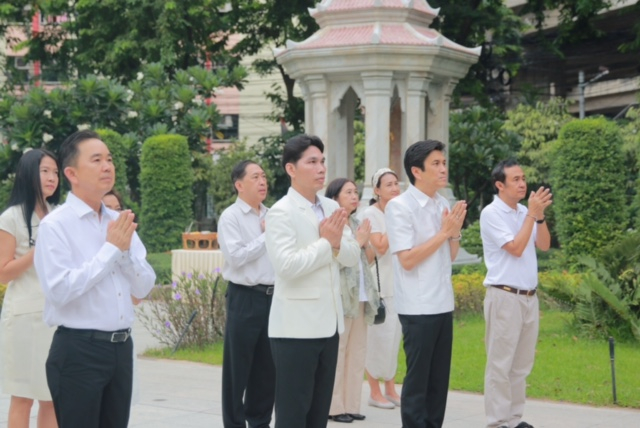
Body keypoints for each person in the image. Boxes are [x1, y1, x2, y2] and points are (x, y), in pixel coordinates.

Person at [34, 130, 156, 428]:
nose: (107, 166)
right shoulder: (55, 226)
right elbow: (59, 290)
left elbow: (144, 286)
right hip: (79, 351)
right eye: (97, 159)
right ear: (72, 173)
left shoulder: (120, 222)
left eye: (110, 159)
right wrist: (111, 250)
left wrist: (123, 253)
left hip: (121, 348)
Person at [265, 134, 360, 428]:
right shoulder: (281, 212)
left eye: (322, 161)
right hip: (295, 328)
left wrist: (332, 245)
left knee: (318, 415)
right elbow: (287, 266)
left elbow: (352, 255)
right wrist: (325, 244)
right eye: (312, 162)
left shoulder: (332, 208)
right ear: (291, 169)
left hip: (329, 325)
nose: (321, 168)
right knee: (293, 415)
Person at [386, 140, 467, 428]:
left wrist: (453, 234)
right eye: (436, 164)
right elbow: (407, 259)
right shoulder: (399, 207)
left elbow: (451, 254)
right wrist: (444, 233)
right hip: (418, 307)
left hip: (442, 303)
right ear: (416, 171)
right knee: (418, 382)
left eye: (443, 162)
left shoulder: (441, 203)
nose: (443, 168)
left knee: (438, 382)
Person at [480, 159, 552, 428]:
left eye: (523, 178)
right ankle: (497, 422)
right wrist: (532, 215)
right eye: (515, 180)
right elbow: (516, 248)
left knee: (521, 365)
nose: (522, 184)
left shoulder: (526, 212)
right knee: (500, 365)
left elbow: (543, 245)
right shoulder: (491, 213)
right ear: (500, 185)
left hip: (529, 297)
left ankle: (513, 419)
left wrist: (539, 215)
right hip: (504, 296)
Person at [0, 149, 60, 428]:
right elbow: (3, 272)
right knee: (23, 396)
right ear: (28, 173)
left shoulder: (58, 215)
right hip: (24, 317)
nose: (52, 178)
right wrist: (37, 252)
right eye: (45, 171)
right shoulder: (10, 217)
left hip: (55, 316)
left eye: (56, 173)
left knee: (51, 396)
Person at [218, 160, 276, 428]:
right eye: (255, 177)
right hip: (245, 297)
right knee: (237, 369)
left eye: (263, 176)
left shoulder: (273, 214)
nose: (262, 181)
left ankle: (260, 423)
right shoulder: (230, 217)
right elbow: (236, 257)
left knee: (267, 369)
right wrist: (267, 236)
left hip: (273, 298)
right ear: (239, 185)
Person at [325, 178, 379, 424]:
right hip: (341, 297)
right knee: (339, 352)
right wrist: (358, 241)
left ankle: (351, 404)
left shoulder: (357, 223)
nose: (354, 196)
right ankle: (334, 407)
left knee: (358, 352)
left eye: (356, 192)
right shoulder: (332, 225)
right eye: (348, 192)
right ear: (334, 197)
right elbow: (339, 259)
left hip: (361, 296)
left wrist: (366, 242)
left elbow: (367, 261)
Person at [360, 168, 402, 409]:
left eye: (397, 184)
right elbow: (380, 248)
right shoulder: (371, 213)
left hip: (399, 285)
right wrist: (395, 219)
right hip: (379, 287)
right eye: (389, 185)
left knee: (394, 339)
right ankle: (374, 392)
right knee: (377, 340)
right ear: (377, 191)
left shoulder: (399, 210)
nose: (395, 188)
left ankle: (390, 389)